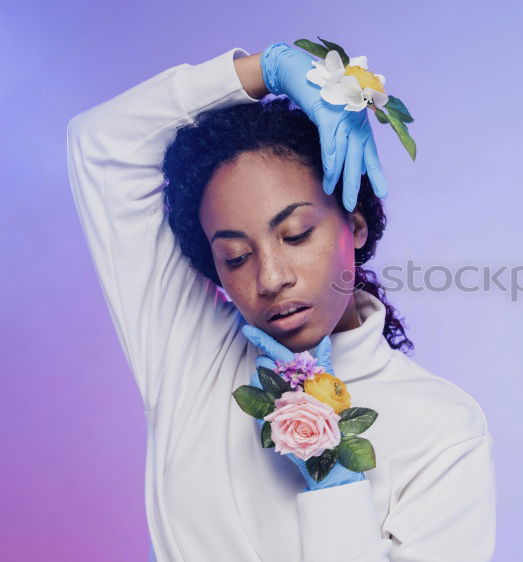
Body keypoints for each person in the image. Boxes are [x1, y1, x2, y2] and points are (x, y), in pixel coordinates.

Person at [65, 43, 496, 561]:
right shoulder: (191, 352)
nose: (270, 278)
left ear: (354, 224)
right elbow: (103, 145)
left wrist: (335, 487)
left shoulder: (443, 427)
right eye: (236, 255)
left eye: (295, 234)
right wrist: (265, 71)